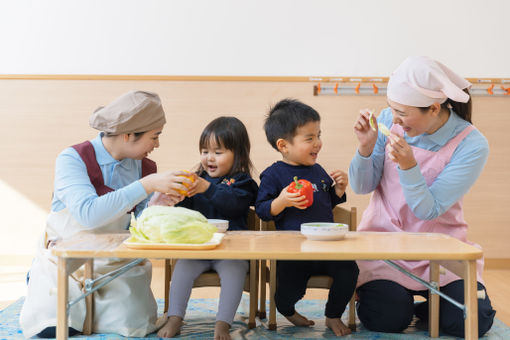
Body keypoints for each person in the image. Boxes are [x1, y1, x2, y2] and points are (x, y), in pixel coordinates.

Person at [20, 90, 193, 338]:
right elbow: (87, 215)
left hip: (115, 261)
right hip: (66, 257)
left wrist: (158, 204)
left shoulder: (145, 168)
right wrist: (146, 186)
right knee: (54, 327)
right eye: (154, 137)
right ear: (128, 135)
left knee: (133, 324)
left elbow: (142, 226)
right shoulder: (73, 159)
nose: (157, 145)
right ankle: (38, 280)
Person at [349, 56, 496, 337]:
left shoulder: (471, 144)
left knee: (471, 322)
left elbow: (428, 210)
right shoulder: (385, 121)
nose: (393, 119)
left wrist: (408, 166)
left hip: (440, 251)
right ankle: (413, 304)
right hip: (385, 248)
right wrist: (365, 148)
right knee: (387, 317)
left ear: (434, 108)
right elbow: (361, 186)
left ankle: (431, 306)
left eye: (402, 113)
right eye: (391, 110)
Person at [255, 99, 359, 337]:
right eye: (309, 138)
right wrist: (281, 201)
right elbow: (262, 210)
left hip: (326, 246)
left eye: (318, 135)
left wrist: (338, 191)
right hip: (293, 250)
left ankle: (333, 315)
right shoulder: (273, 175)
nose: (318, 143)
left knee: (350, 271)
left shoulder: (319, 171)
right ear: (284, 145)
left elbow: (324, 205)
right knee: (289, 288)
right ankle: (286, 309)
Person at [155, 116, 258, 340]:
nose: (209, 158)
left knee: (235, 274)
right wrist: (177, 197)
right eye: (204, 151)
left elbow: (233, 205)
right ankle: (175, 318)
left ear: (238, 154)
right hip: (198, 248)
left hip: (232, 251)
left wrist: (206, 189)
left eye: (218, 152)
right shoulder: (198, 180)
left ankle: (223, 324)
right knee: (181, 271)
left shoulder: (243, 183)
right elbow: (185, 212)